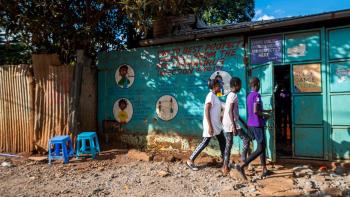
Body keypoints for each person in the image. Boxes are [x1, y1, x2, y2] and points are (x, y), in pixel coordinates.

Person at [235, 77, 272, 180]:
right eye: (259, 84)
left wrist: (265, 111)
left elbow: (254, 108)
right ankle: (242, 164)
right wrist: (265, 115)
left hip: (251, 124)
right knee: (260, 148)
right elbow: (256, 111)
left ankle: (264, 169)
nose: (259, 86)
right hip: (257, 124)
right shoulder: (257, 95)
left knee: (262, 145)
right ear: (256, 84)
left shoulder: (249, 96)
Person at [186, 79, 226, 171]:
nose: (220, 87)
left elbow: (217, 110)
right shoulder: (210, 96)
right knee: (205, 142)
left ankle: (225, 161)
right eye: (219, 85)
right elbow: (206, 110)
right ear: (215, 86)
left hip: (217, 125)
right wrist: (210, 126)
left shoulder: (215, 97)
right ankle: (190, 160)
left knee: (222, 141)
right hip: (211, 125)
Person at [222, 77, 251, 175]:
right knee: (246, 139)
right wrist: (234, 127)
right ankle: (243, 162)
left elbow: (234, 112)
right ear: (236, 85)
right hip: (231, 123)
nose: (241, 87)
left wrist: (243, 123)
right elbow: (230, 111)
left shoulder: (230, 95)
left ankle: (225, 167)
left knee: (228, 145)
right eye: (240, 85)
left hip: (227, 123)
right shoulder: (233, 96)